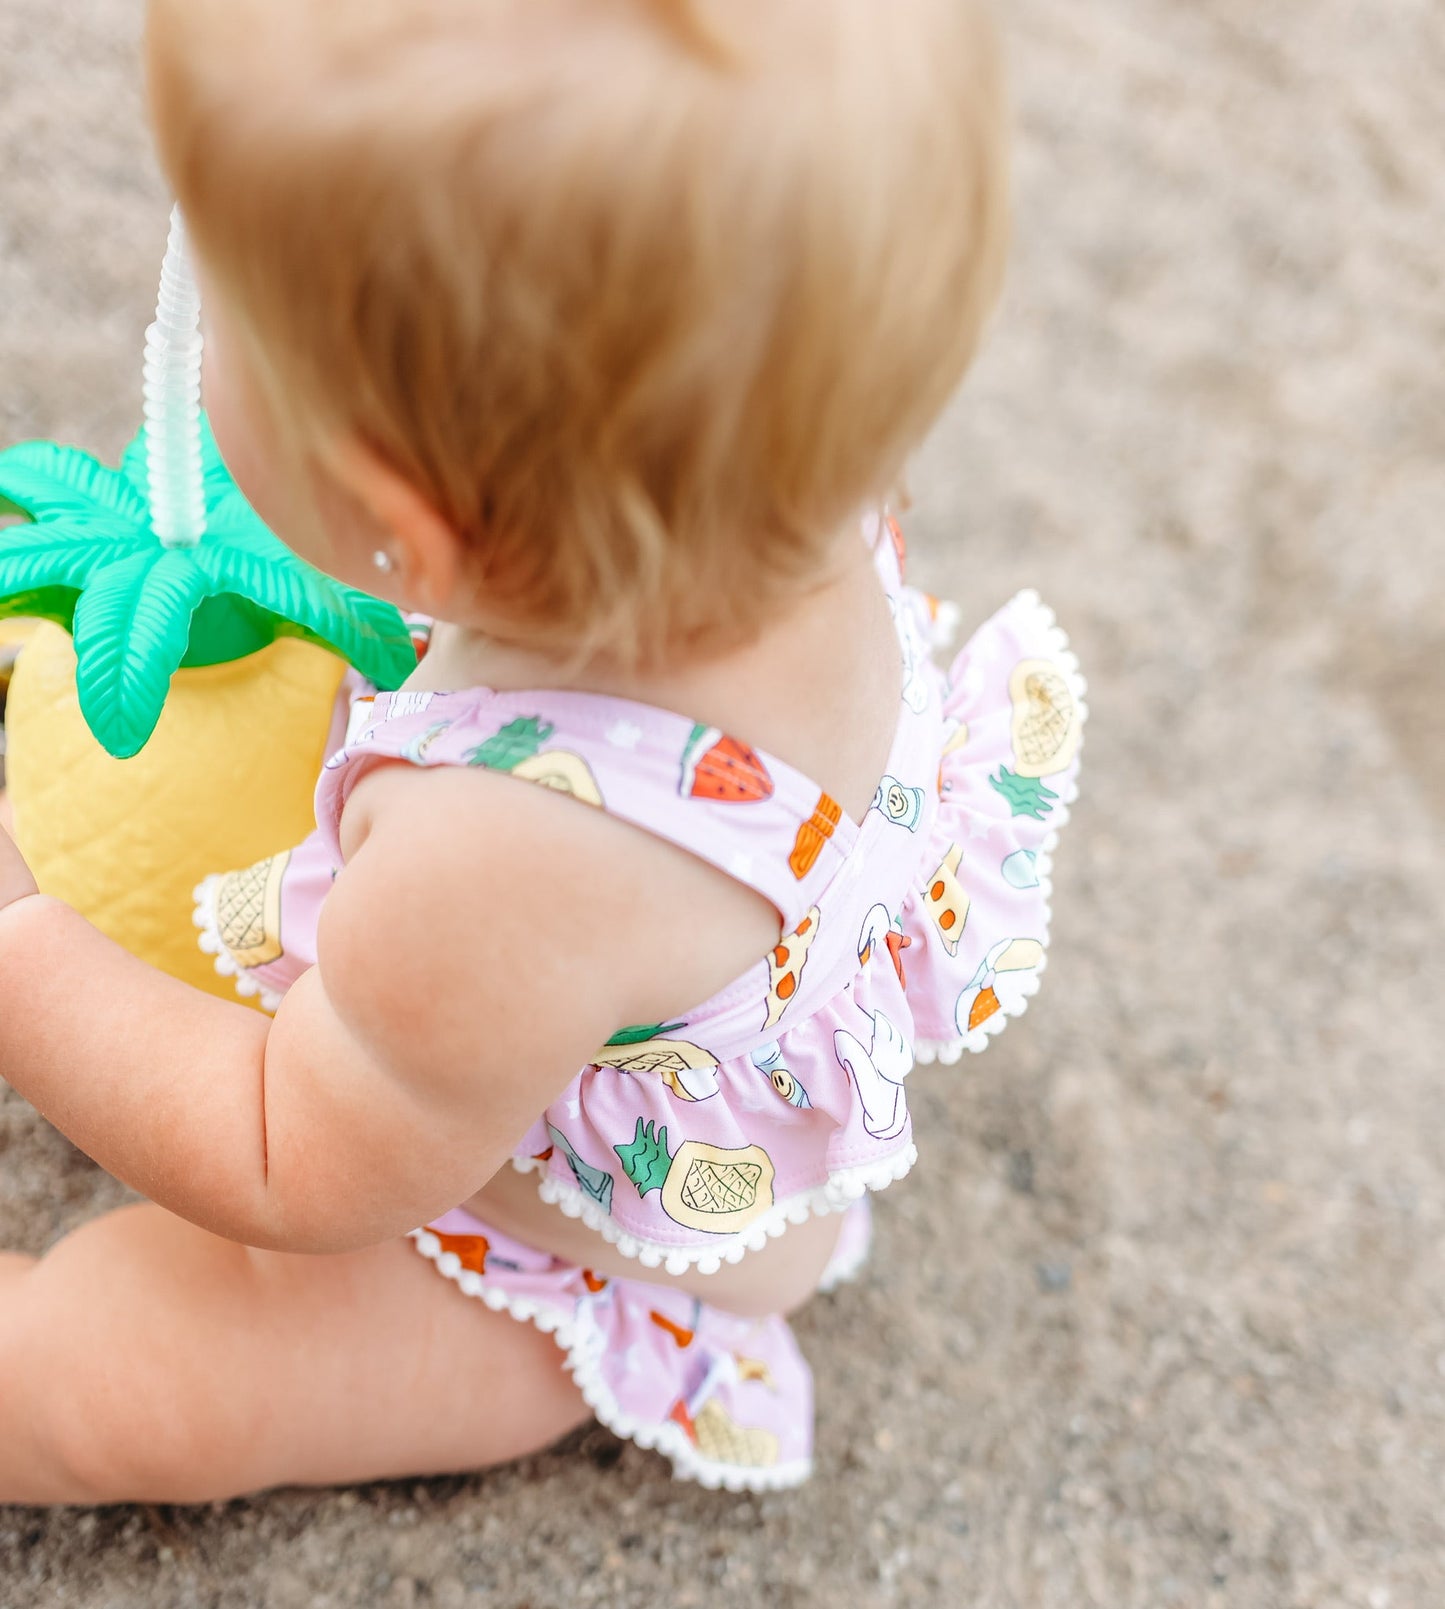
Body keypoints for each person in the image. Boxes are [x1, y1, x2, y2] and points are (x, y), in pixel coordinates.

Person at [0, 0, 1084, 1503]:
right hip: (606, 1024)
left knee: (126, 1389)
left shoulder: (508, 851)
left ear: (415, 523)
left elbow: (285, 1150)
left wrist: (21, 941)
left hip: (536, 1236)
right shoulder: (773, 472)